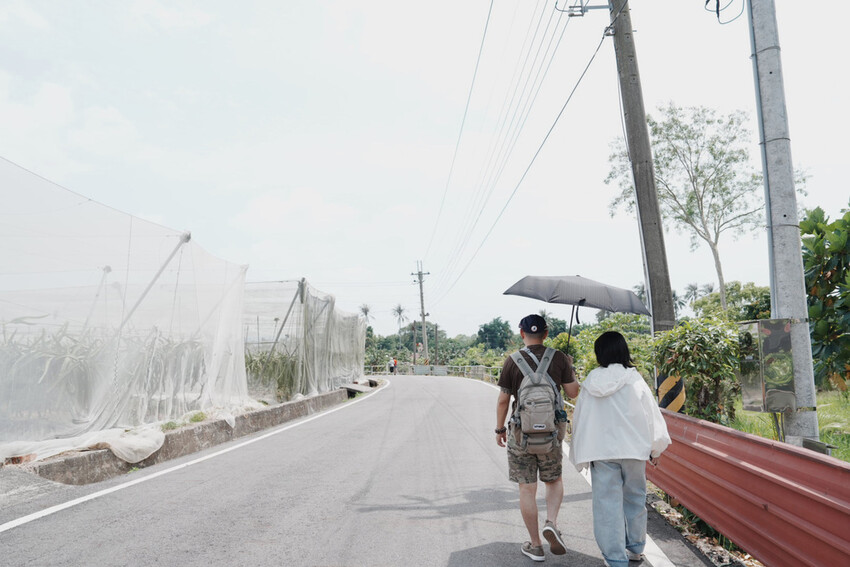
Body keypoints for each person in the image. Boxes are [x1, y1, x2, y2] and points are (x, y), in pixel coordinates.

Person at [569, 331, 671, 567]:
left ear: (599, 353)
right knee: (635, 497)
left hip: (602, 452)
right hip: (634, 451)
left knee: (607, 504)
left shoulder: (591, 381)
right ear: (624, 351)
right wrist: (656, 449)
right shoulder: (635, 379)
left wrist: (581, 454)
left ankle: (615, 558)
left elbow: (581, 418)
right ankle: (635, 548)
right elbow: (651, 416)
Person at [496, 314, 580, 562]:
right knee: (553, 481)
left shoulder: (512, 361)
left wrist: (499, 429)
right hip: (551, 436)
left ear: (521, 333)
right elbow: (573, 393)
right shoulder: (560, 359)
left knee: (527, 488)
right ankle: (551, 522)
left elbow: (503, 400)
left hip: (521, 436)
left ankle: (535, 545)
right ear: (546, 334)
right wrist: (570, 367)